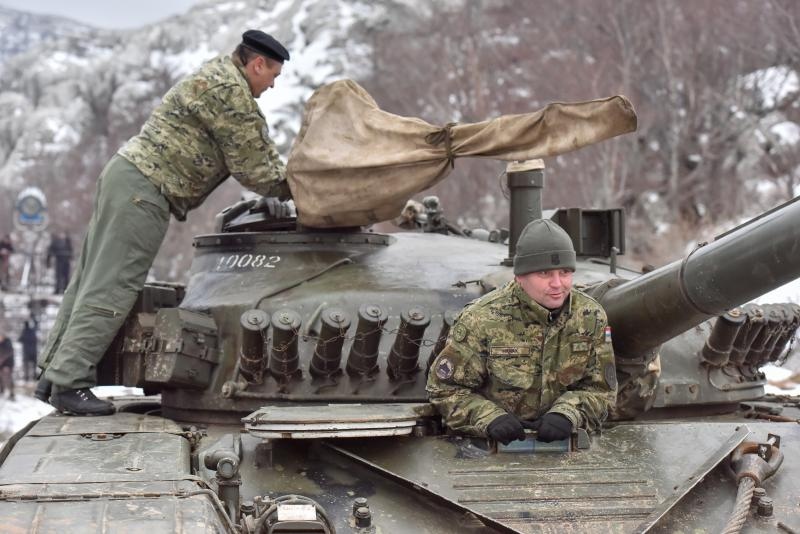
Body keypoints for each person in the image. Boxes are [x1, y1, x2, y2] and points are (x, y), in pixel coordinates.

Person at [36, 30, 292, 416]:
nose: (272, 85)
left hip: (128, 177)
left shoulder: (217, 75)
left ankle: (55, 377)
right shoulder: (232, 95)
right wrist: (305, 189)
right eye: (272, 75)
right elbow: (258, 169)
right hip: (146, 189)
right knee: (113, 285)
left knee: (91, 279)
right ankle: (71, 382)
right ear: (257, 64)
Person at [426, 219, 617, 444]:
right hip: (490, 448)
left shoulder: (591, 316)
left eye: (565, 272)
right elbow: (445, 390)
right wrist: (489, 418)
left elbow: (601, 390)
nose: (558, 284)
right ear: (520, 276)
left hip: (565, 447)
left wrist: (568, 413)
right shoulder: (482, 319)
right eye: (545, 273)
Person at [0, 331, 15, 401]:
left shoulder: (7, 343)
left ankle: (12, 394)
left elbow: (8, 354)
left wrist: (6, 365)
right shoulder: (1, 343)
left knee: (8, 379)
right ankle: (1, 391)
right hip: (2, 365)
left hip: (7, 365)